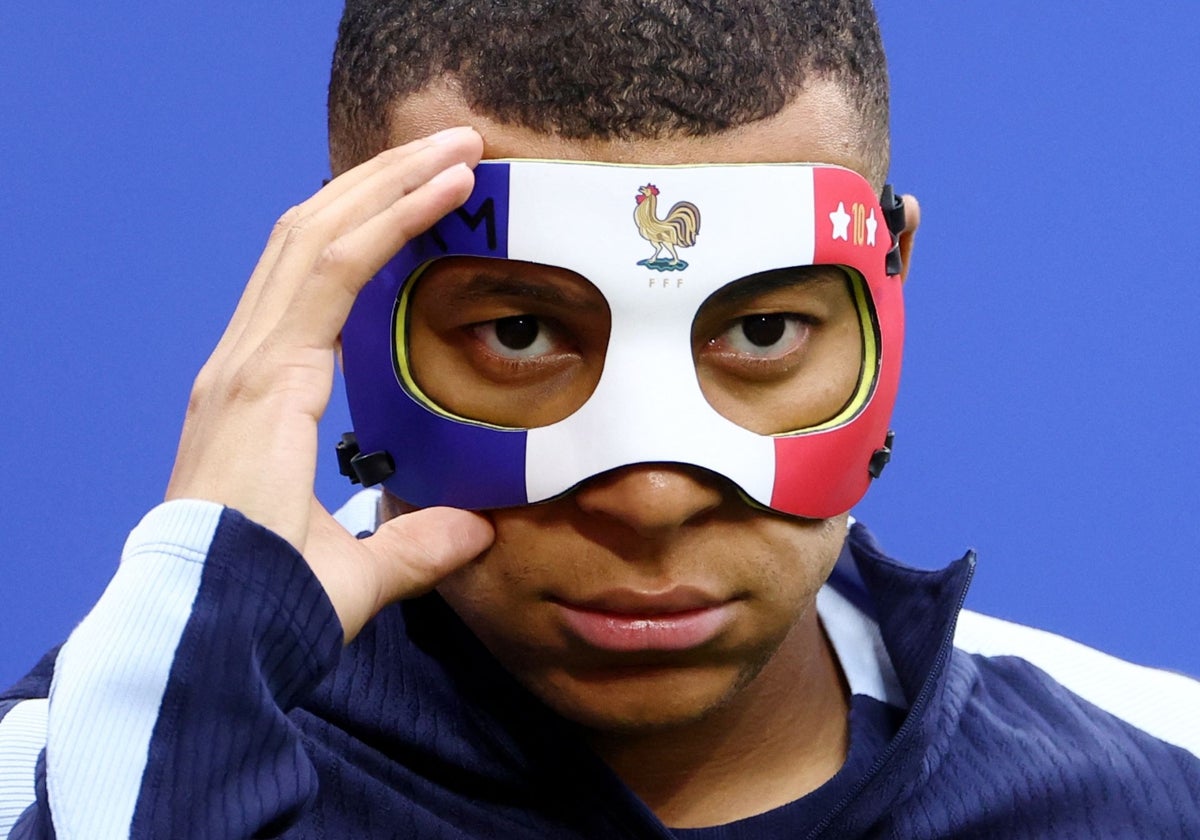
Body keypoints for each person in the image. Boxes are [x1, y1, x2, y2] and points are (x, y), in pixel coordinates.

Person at [1, 1, 1197, 837]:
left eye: (764, 332)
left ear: (894, 287)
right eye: (516, 334)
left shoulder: (1165, 774)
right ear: (336, 302)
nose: (651, 496)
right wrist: (176, 756)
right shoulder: (55, 779)